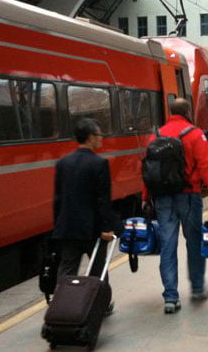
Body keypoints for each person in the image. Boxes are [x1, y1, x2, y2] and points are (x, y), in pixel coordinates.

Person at [149, 98, 208, 314]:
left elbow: (148, 168)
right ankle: (198, 288)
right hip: (189, 196)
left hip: (163, 198)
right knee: (194, 242)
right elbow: (206, 166)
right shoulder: (194, 134)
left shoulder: (157, 135)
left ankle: (171, 297)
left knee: (168, 244)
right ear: (188, 112)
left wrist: (147, 197)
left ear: (170, 111)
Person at [51, 118, 119, 313]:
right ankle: (102, 306)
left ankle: (61, 307)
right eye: (99, 135)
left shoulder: (62, 163)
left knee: (67, 270)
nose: (101, 139)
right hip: (92, 229)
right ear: (90, 137)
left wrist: (58, 227)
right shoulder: (99, 164)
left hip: (68, 227)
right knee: (98, 270)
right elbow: (102, 201)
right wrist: (106, 228)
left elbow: (58, 199)